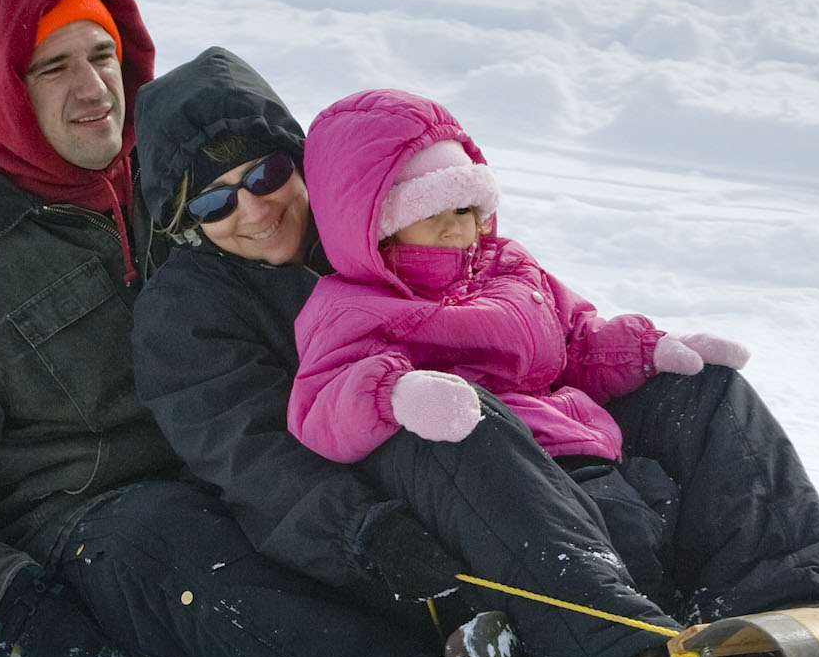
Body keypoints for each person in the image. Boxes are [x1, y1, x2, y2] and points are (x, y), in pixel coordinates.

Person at [0, 0, 529, 657]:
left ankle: (563, 629)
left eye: (102, 56)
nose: (93, 88)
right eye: (54, 68)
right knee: (167, 539)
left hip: (246, 446)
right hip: (103, 515)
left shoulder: (190, 183)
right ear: (2, 89)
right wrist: (9, 601)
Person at [131, 52, 819, 657]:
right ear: (184, 221)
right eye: (214, 200)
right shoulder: (187, 315)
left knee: (704, 390)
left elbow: (558, 334)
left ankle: (787, 629)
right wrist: (363, 531)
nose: (253, 208)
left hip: (541, 485)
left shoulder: (400, 218)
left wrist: (650, 354)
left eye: (264, 176)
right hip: (405, 543)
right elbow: (257, 465)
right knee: (448, 416)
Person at [286, 87, 750, 474]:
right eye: (428, 214)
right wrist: (396, 396)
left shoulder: (507, 265)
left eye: (464, 209)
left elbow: (576, 340)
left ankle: (786, 576)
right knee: (626, 532)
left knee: (704, 405)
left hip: (588, 444)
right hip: (506, 475)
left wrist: (647, 349)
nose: (454, 228)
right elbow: (320, 407)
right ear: (375, 226)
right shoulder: (351, 307)